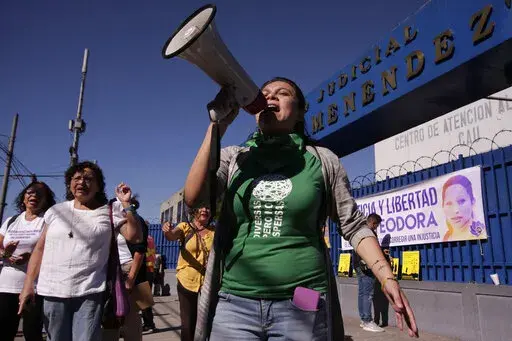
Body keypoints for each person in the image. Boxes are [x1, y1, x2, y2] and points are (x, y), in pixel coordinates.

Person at [185, 78, 419, 340]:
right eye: (264, 95)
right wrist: (217, 126)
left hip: (304, 300)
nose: (270, 98)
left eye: (281, 93)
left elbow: (352, 224)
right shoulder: (235, 158)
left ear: (299, 112)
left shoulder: (321, 160)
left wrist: (387, 278)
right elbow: (195, 198)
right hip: (234, 303)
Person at [18, 161, 143, 341]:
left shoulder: (108, 212)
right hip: (52, 292)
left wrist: (127, 205)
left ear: (98, 186)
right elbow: (40, 249)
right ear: (69, 183)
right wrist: (28, 284)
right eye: (76, 178)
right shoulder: (55, 211)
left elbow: (135, 236)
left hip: (89, 293)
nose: (82, 182)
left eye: (88, 179)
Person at [0, 181, 56, 341]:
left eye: (40, 194)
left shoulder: (47, 221)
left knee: (32, 333)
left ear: (46, 200)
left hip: (35, 287)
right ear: (23, 197)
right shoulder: (11, 220)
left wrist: (31, 258)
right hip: (6, 285)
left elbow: (53, 251)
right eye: (30, 192)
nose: (34, 196)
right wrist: (6, 254)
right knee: (3, 331)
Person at [162, 206, 214, 341]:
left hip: (209, 282)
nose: (204, 210)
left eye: (207, 208)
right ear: (194, 211)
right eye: (201, 207)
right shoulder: (185, 227)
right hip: (187, 280)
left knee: (209, 321)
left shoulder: (214, 231)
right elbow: (172, 235)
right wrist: (167, 231)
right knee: (188, 323)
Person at [103, 197, 148, 341]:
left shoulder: (136, 221)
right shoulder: (109, 223)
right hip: (110, 271)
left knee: (131, 317)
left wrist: (131, 279)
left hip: (129, 269)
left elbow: (140, 251)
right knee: (109, 316)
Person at [353, 213, 384, 332]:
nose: (376, 228)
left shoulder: (358, 231)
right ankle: (367, 321)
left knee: (362, 293)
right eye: (376, 225)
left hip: (357, 265)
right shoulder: (369, 233)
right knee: (368, 294)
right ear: (373, 223)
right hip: (367, 266)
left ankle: (363, 319)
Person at [442, 175, 486, 242]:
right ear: (443, 207)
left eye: (461, 201)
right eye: (449, 204)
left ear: (473, 202)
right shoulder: (445, 238)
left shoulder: (481, 234)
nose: (456, 210)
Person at [141, 233, 157, 332]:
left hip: (145, 270)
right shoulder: (150, 238)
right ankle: (148, 323)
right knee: (144, 299)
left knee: (144, 299)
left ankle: (149, 323)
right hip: (149, 270)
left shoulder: (144, 239)